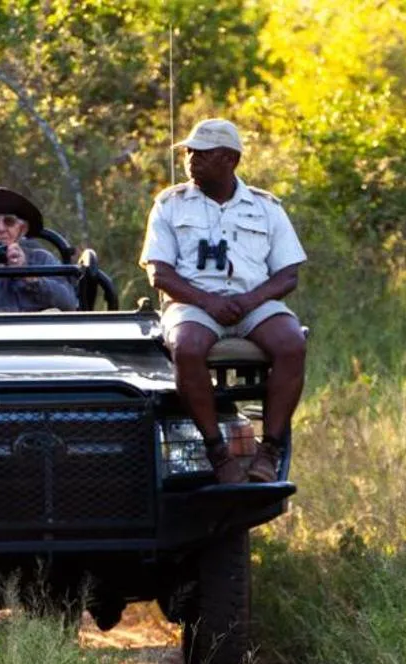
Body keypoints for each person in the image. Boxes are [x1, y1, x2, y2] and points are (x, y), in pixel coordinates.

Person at [140, 118, 307, 484]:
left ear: (230, 159)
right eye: (188, 152)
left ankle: (270, 450)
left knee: (292, 342)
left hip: (253, 301)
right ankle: (217, 451)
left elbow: (287, 274)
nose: (191, 159)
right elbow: (160, 274)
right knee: (187, 346)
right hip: (193, 301)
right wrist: (207, 302)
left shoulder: (266, 207)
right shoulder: (170, 205)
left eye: (203, 153)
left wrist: (250, 300)